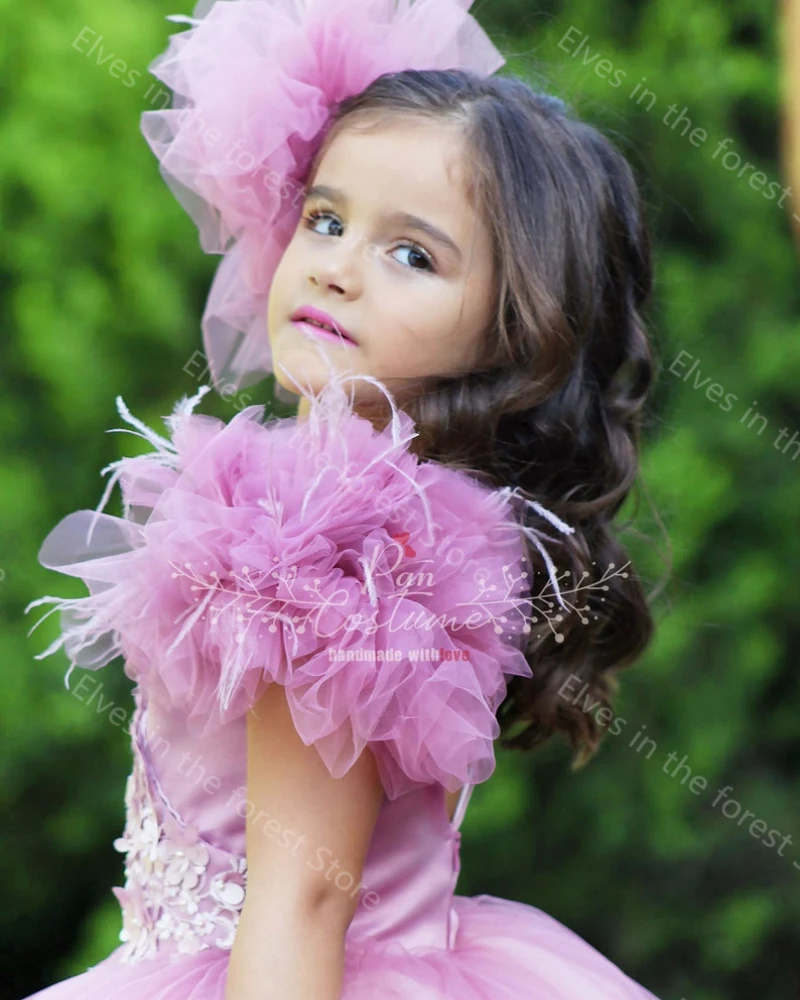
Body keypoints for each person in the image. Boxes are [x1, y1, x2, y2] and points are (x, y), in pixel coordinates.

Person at [23, 0, 662, 997]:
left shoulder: (322, 540)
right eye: (324, 219)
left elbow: (304, 899)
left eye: (412, 255)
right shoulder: (429, 528)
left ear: (511, 328)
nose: (334, 267)